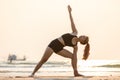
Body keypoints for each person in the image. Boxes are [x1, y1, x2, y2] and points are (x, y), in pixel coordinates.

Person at [30, 5, 90, 77]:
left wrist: (75, 67)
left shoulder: (75, 46)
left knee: (73, 56)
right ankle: (32, 74)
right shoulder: (75, 33)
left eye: (84, 37)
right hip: (54, 44)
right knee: (44, 60)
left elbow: (75, 59)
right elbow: (72, 22)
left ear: (82, 42)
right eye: (84, 35)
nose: (82, 35)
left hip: (60, 49)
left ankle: (75, 72)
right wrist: (70, 12)